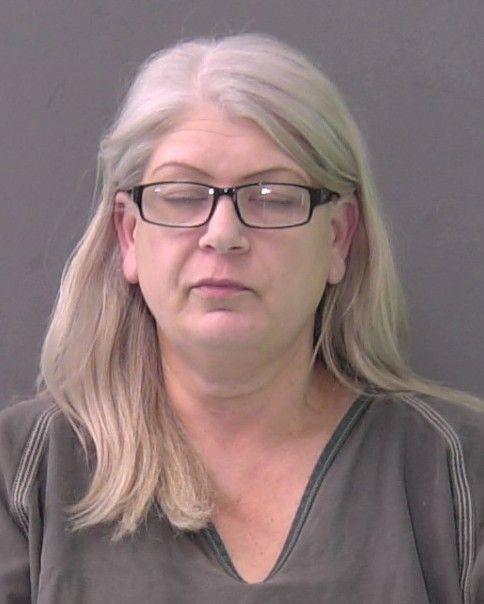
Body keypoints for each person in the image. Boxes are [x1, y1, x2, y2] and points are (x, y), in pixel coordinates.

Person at [0, 33, 483, 604]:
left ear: (338, 237)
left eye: (272, 196)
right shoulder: (24, 474)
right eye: (182, 194)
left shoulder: (457, 471)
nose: (223, 234)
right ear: (128, 235)